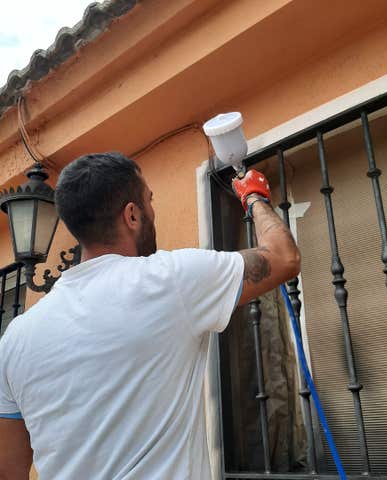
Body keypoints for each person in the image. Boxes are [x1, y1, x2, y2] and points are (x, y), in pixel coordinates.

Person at [0, 152, 300, 479]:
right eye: (149, 200)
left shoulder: (16, 338)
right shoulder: (169, 280)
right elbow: (284, 257)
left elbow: (9, 469)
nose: (153, 212)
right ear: (132, 215)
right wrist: (254, 196)